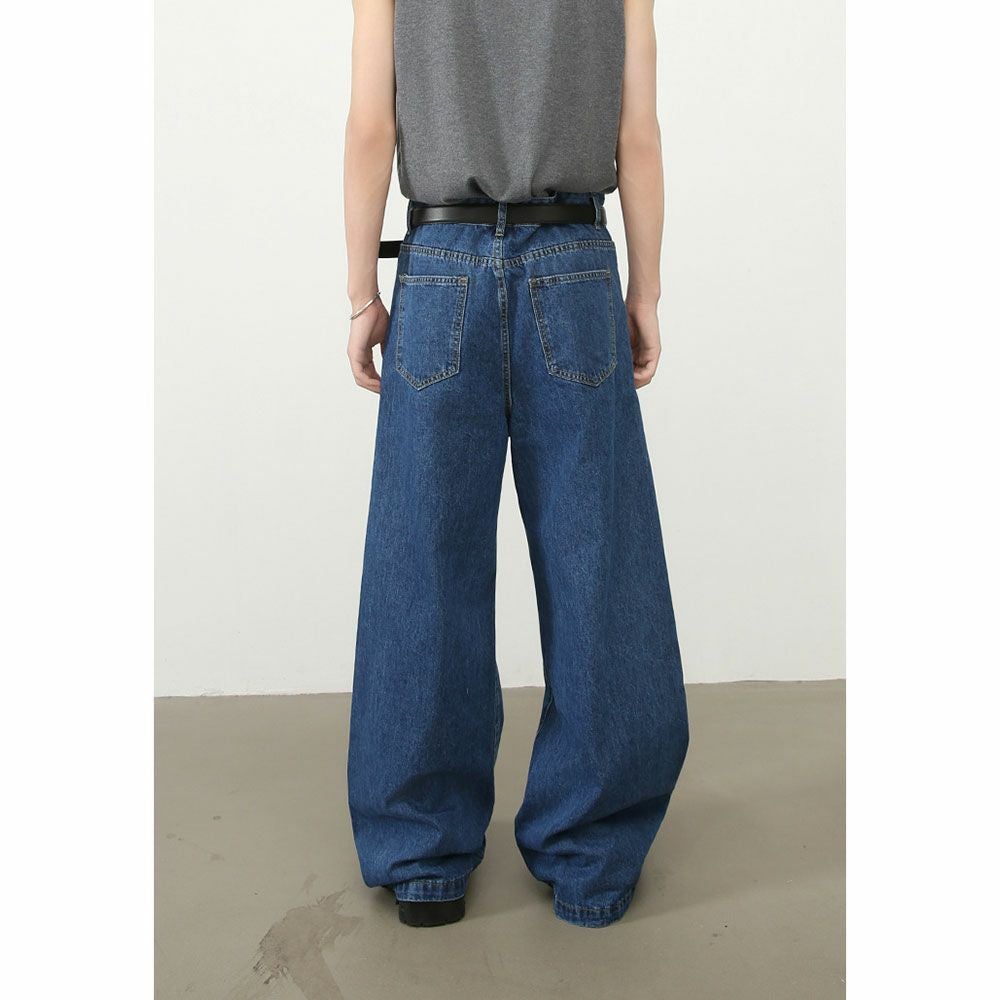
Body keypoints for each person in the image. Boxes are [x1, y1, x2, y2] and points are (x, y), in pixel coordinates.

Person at [343, 0, 688, 929]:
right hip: (572, 259)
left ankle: (423, 860)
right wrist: (646, 290)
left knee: (423, 566)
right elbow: (638, 135)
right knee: (598, 563)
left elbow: (372, 125)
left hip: (439, 263)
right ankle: (592, 861)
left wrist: (361, 293)